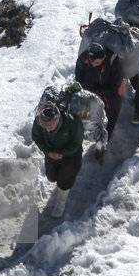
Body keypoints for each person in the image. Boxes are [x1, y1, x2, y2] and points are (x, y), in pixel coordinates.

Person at [32, 83, 107, 217]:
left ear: (58, 117)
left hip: (70, 155)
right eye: (45, 126)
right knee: (51, 177)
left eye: (51, 125)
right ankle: (60, 184)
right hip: (51, 152)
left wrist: (61, 154)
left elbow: (76, 142)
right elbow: (36, 136)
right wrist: (48, 151)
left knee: (65, 180)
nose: (48, 129)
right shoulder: (39, 121)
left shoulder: (72, 122)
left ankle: (61, 202)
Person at [74, 42, 125, 139]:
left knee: (112, 111)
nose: (94, 65)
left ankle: (106, 136)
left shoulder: (113, 61)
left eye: (98, 63)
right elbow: (79, 78)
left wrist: (101, 93)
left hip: (110, 90)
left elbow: (116, 84)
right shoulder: (83, 59)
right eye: (93, 62)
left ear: (104, 58)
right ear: (89, 58)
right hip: (91, 87)